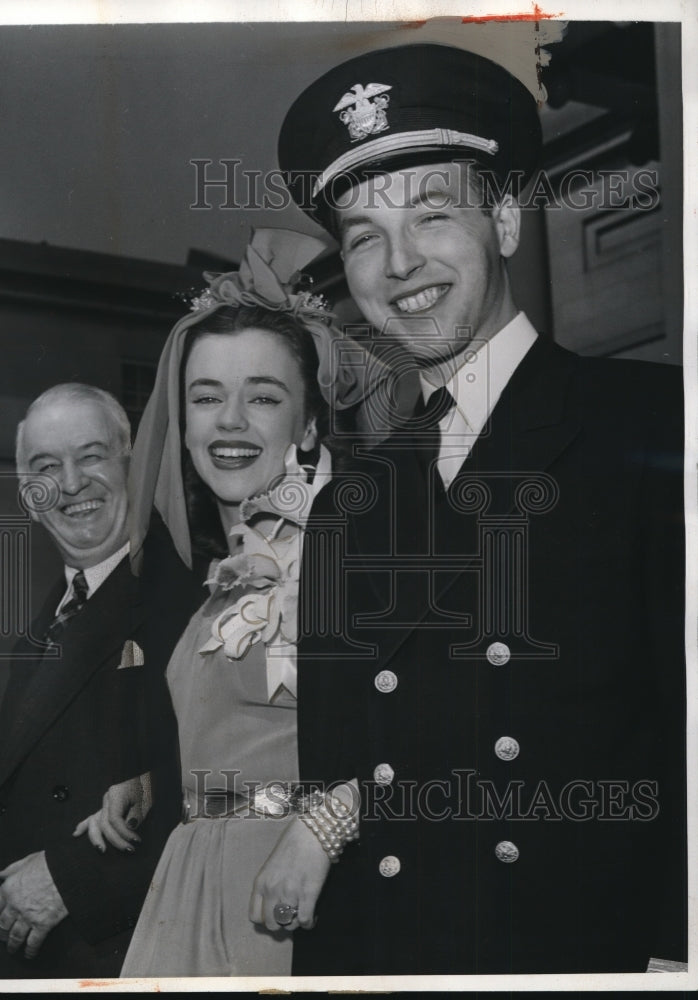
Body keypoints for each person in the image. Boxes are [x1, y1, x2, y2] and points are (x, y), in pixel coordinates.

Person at [276, 42, 687, 974]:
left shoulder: (653, 427)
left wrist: (678, 955)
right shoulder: (353, 506)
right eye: (364, 236)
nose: (400, 263)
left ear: (503, 220)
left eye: (432, 214)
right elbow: (338, 780)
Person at [73, 229, 382, 977]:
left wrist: (322, 831)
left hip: (293, 897)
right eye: (206, 398)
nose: (230, 421)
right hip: (190, 885)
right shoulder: (220, 580)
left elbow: (419, 738)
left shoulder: (358, 560)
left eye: (264, 396)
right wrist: (154, 780)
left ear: (309, 423)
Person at [0, 383, 198, 979]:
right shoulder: (43, 625)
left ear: (134, 462)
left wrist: (74, 879)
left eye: (92, 455)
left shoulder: (191, 597)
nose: (71, 483)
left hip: (122, 955)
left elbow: (227, 787)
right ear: (28, 495)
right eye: (47, 466)